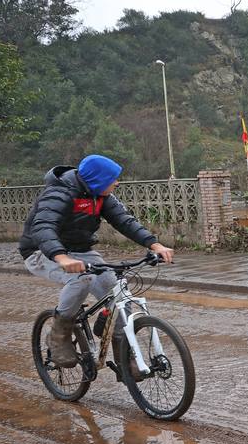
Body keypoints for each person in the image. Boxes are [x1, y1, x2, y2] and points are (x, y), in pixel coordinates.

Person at [19, 155, 175, 368]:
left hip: (81, 251)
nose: (117, 183)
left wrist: (154, 245)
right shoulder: (59, 193)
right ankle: (58, 336)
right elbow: (43, 227)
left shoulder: (100, 195)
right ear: (97, 180)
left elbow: (124, 221)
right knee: (81, 279)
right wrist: (62, 257)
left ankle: (125, 357)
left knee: (118, 292)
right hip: (42, 252)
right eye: (112, 179)